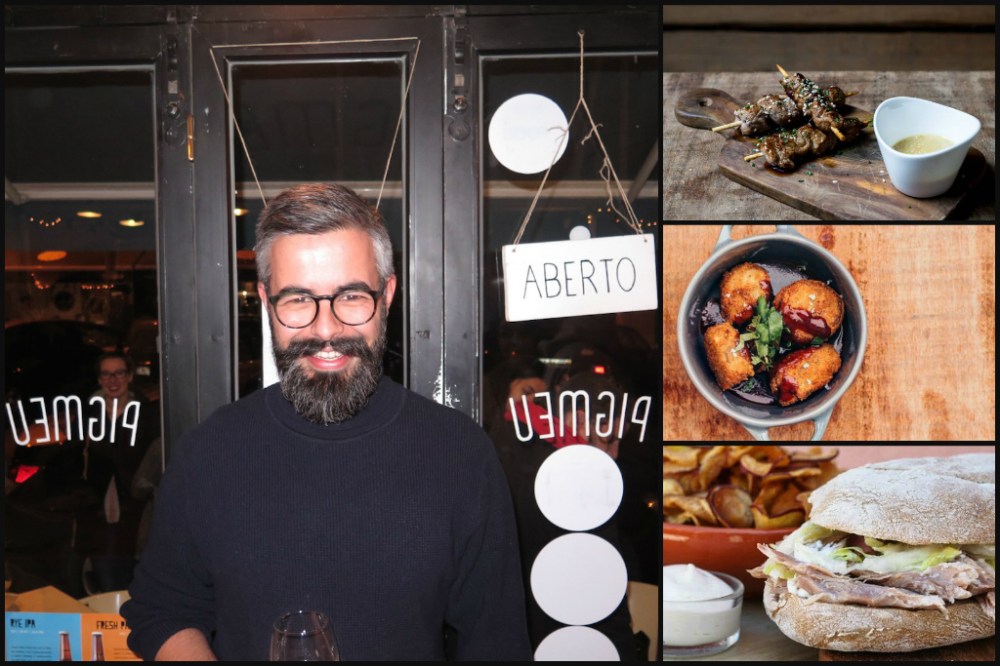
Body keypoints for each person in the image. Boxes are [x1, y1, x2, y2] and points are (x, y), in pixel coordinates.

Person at [121, 183, 531, 661]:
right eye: (298, 300)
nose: (326, 329)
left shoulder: (459, 453)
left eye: (351, 296)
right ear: (266, 301)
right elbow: (162, 610)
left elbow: (497, 641)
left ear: (387, 295)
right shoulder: (209, 452)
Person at [489, 370, 639, 660]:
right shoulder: (584, 480)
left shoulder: (507, 443)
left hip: (508, 633)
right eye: (610, 438)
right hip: (567, 636)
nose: (615, 453)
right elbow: (604, 589)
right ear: (580, 420)